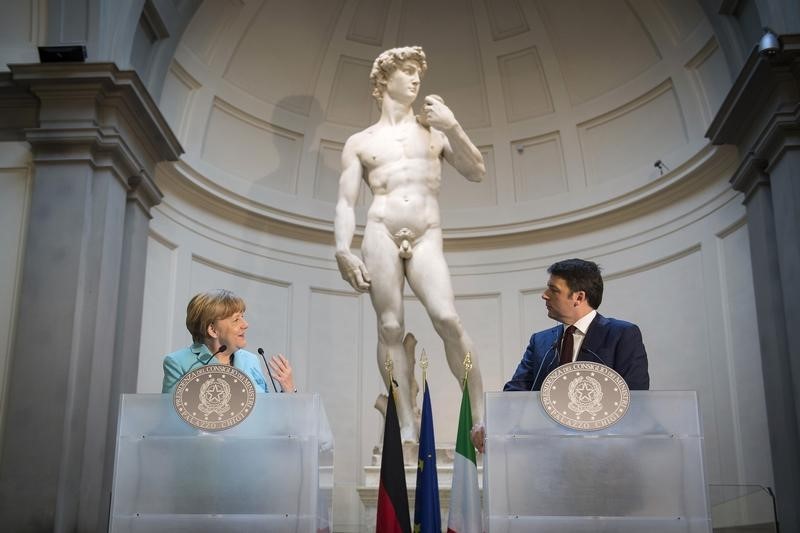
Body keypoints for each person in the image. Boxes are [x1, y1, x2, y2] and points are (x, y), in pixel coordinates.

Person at [334, 46, 485, 442]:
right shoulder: (360, 142)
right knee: (389, 326)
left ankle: (479, 412)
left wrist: (453, 126)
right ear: (384, 79)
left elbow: (477, 171)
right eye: (406, 70)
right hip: (381, 231)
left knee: (447, 318)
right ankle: (404, 423)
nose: (416, 78)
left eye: (419, 71)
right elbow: (345, 202)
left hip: (426, 232)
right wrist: (342, 250)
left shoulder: (434, 131)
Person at [504, 258, 649, 394]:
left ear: (579, 297)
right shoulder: (540, 341)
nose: (544, 295)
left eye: (553, 290)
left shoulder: (621, 335)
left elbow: (635, 396)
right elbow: (515, 392)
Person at [162, 289, 295, 394]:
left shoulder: (251, 360)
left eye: (243, 317)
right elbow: (171, 418)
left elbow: (267, 413)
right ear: (213, 330)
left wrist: (288, 390)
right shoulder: (178, 363)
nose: (246, 324)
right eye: (236, 319)